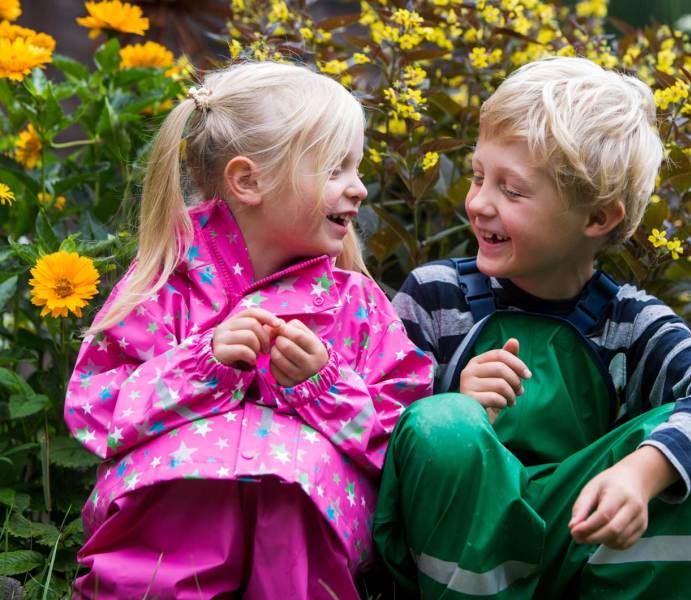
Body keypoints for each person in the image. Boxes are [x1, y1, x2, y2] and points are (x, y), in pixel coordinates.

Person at [373, 56, 691, 599]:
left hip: (574, 537)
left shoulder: (627, 323)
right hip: (450, 552)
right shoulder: (436, 296)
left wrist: (644, 472)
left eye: (511, 191)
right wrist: (454, 398)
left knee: (690, 451)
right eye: (478, 176)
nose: (479, 203)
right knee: (444, 423)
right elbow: (374, 424)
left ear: (597, 218)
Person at [65, 61, 433, 599]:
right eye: (335, 169)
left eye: (356, 168)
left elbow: (401, 439)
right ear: (248, 180)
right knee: (191, 475)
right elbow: (95, 406)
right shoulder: (168, 284)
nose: (359, 190)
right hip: (161, 531)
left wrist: (324, 385)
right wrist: (200, 365)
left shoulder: (353, 304)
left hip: (304, 534)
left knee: (292, 476)